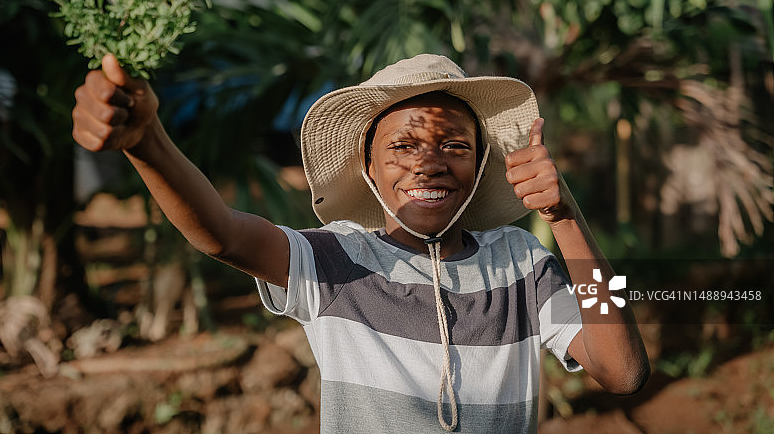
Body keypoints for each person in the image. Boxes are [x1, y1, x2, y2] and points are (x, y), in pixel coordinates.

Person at [72, 53, 649, 433]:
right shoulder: (335, 261)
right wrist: (147, 143)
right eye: (404, 146)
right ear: (367, 167)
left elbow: (623, 372)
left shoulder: (523, 264)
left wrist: (564, 215)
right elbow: (222, 233)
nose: (429, 164)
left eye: (454, 146)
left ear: (479, 168)